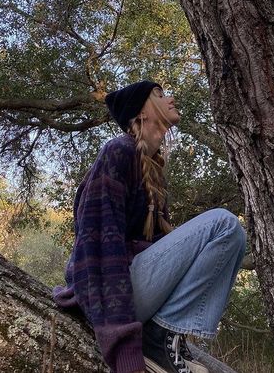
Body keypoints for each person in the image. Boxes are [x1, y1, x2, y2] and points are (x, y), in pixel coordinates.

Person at [52, 80, 247, 373]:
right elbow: (102, 252)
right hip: (103, 298)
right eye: (159, 95)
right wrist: (126, 352)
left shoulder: (153, 171)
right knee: (224, 224)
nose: (170, 98)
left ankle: (166, 336)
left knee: (233, 238)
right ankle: (155, 340)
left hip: (138, 294)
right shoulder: (118, 152)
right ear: (140, 114)